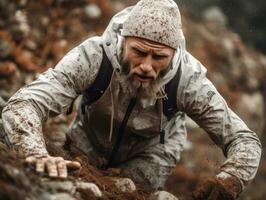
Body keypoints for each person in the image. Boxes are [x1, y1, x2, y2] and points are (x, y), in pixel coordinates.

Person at [1, 0, 261, 199]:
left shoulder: (189, 80)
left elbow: (243, 139)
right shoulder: (94, 57)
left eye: (158, 57)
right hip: (88, 138)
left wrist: (230, 180)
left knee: (128, 192)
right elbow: (25, 103)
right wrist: (35, 152)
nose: (147, 66)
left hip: (151, 155)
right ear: (123, 42)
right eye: (138, 52)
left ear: (174, 53)